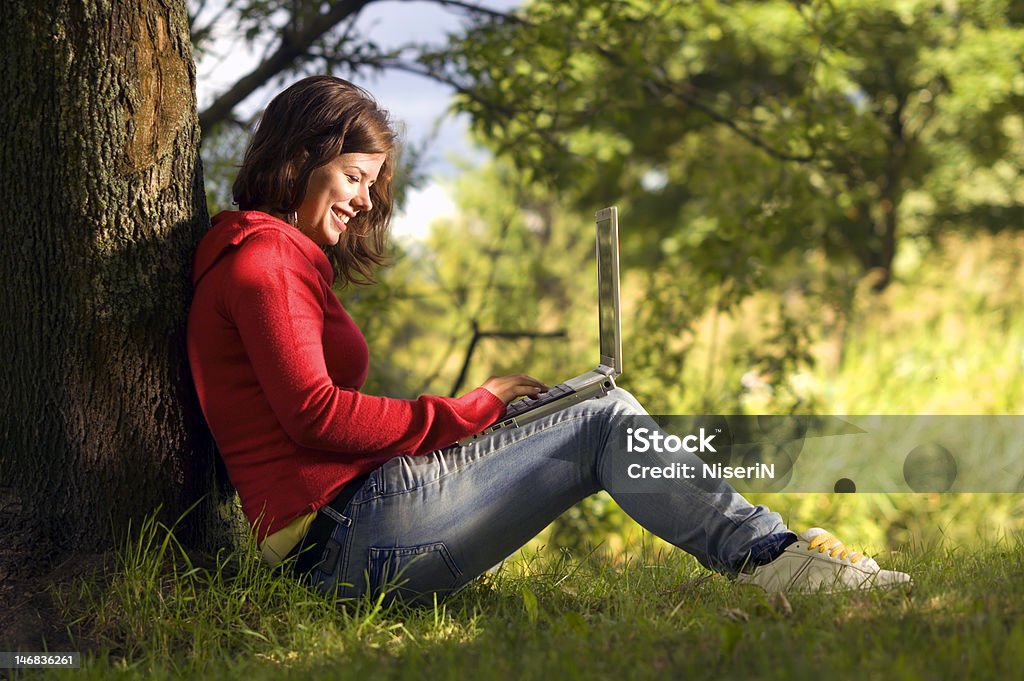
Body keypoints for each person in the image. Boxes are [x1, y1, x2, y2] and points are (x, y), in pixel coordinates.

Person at [186, 75, 911, 604]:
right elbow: (315, 414)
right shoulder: (265, 261)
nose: (365, 201)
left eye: (373, 185)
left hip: (346, 531)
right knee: (601, 418)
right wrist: (464, 411)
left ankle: (776, 550)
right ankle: (776, 557)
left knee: (584, 407)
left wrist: (485, 422)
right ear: (300, 157)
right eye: (353, 177)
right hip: (344, 541)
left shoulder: (266, 256)